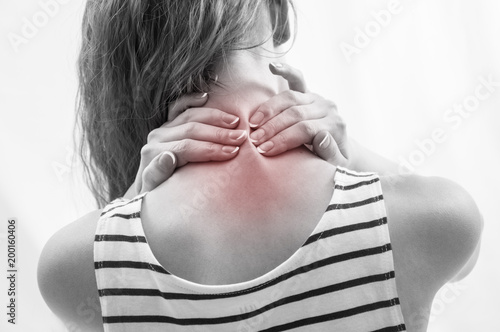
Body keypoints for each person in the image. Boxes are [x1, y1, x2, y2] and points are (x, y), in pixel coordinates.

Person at [37, 1, 483, 331]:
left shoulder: (73, 265)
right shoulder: (433, 215)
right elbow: (463, 257)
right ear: (276, 14)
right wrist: (350, 152)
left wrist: (126, 214)